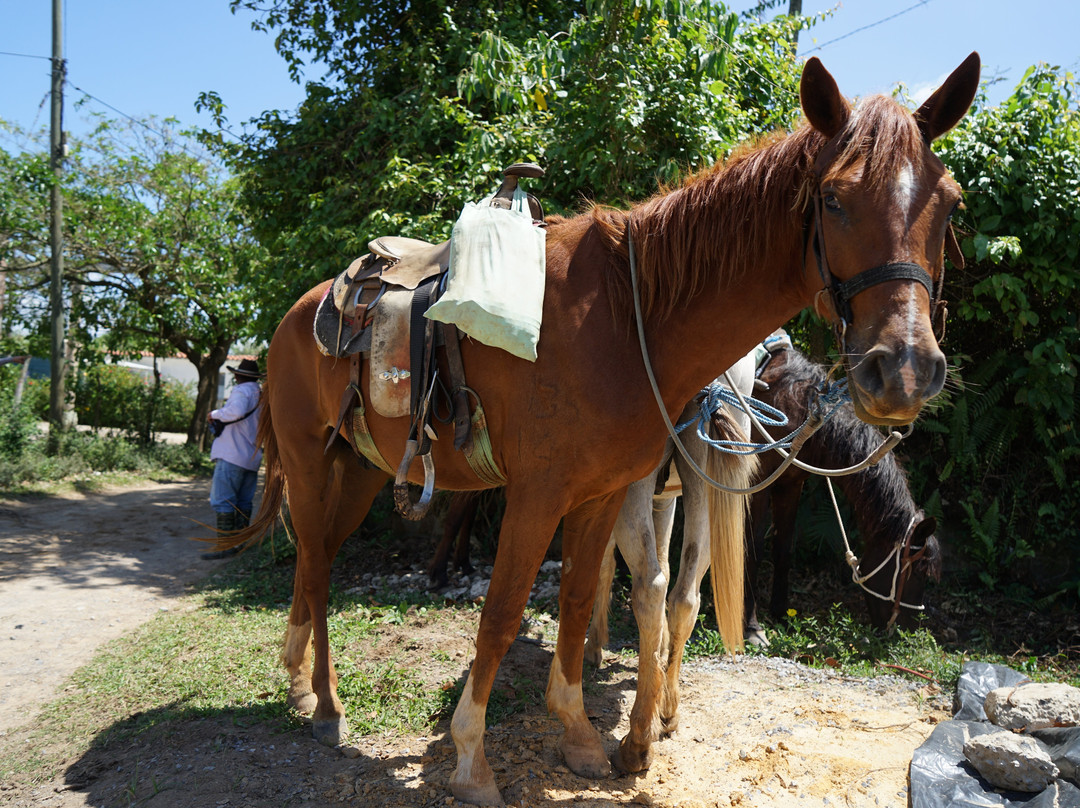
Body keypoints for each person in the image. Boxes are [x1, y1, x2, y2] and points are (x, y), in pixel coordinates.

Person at [202, 358, 263, 560]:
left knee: (223, 501)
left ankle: (225, 546)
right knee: (244, 502)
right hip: (252, 457)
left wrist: (215, 413)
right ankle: (240, 544)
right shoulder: (261, 394)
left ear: (239, 375)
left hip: (232, 454)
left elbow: (235, 412)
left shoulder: (242, 391)